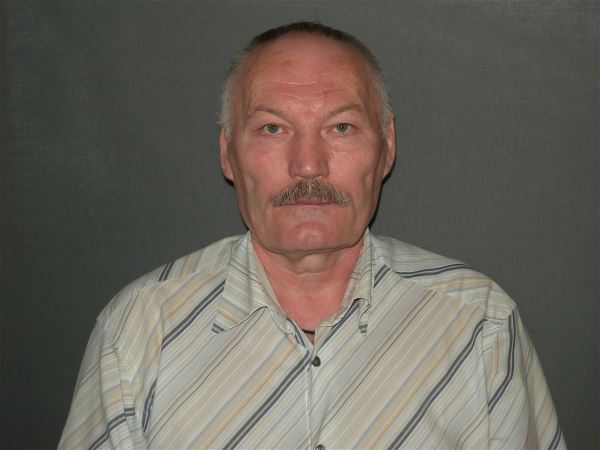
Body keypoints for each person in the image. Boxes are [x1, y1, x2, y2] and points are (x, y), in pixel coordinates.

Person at [59, 22, 565, 449]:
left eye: (340, 127)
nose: (307, 164)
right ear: (227, 153)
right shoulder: (138, 331)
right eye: (272, 129)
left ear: (387, 147)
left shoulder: (479, 324)